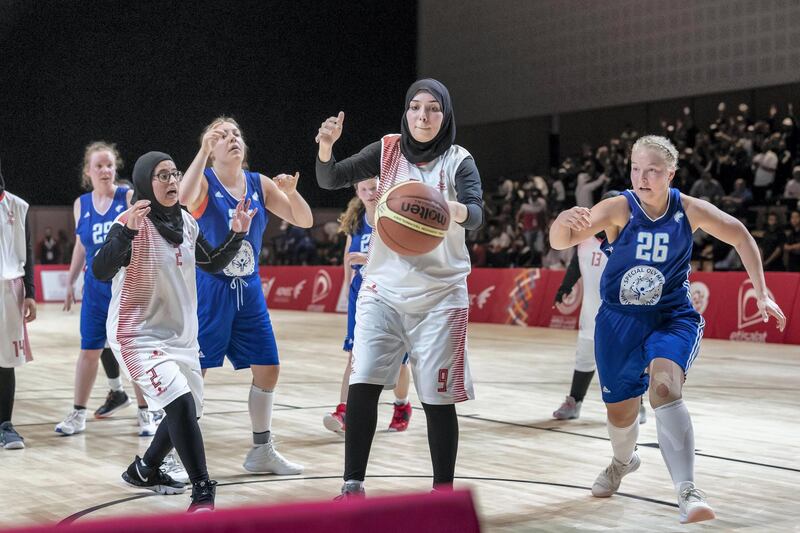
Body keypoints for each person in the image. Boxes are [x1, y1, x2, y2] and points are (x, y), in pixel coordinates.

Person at [549, 135, 786, 524]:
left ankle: (688, 490)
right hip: (618, 322)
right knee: (620, 414)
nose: (642, 178)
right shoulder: (618, 208)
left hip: (671, 316)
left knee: (664, 388)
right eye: (635, 169)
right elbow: (563, 239)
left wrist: (762, 294)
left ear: (670, 174)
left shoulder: (688, 210)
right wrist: (561, 223)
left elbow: (741, 235)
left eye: (652, 171)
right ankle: (623, 462)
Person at [315, 78, 484, 497]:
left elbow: (478, 214)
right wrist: (325, 146)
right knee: (364, 378)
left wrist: (448, 207)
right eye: (414, 107)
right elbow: (330, 177)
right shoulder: (388, 149)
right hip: (383, 289)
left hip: (441, 295)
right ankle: (352, 485)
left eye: (432, 109)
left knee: (436, 398)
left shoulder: (459, 160)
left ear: (445, 115)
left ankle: (441, 495)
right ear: (405, 112)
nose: (422, 116)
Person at [94, 151, 254, 511]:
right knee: (180, 404)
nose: (171, 181)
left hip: (181, 337)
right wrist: (124, 235)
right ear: (144, 184)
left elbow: (211, 263)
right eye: (161, 176)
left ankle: (145, 469)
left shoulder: (186, 222)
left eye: (174, 174)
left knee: (187, 410)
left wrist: (236, 234)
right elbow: (101, 271)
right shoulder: (130, 221)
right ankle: (202, 491)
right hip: (136, 336)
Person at [179, 117, 311, 475]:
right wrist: (202, 149)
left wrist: (294, 192)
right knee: (196, 374)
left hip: (249, 290)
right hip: (210, 289)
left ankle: (262, 450)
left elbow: (305, 220)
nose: (232, 139)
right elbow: (184, 198)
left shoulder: (259, 183)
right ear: (212, 147)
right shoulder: (205, 182)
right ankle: (175, 453)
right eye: (222, 136)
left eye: (236, 133)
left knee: (268, 368)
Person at [57, 142, 153, 437]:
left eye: (109, 165)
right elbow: (81, 246)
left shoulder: (126, 197)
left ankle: (146, 413)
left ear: (115, 168)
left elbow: (144, 235)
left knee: (132, 351)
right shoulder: (80, 204)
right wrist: (71, 281)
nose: (105, 170)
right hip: (95, 290)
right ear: (88, 171)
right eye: (98, 165)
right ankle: (78, 414)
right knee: (89, 350)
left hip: (125, 287)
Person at [323, 178, 413, 434]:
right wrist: (345, 287)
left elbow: (404, 255)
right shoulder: (355, 217)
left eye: (373, 188)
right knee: (355, 353)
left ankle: (402, 405)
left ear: (382, 187)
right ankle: (344, 411)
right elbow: (348, 256)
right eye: (363, 189)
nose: (369, 193)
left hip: (392, 291)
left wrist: (370, 259)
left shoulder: (395, 212)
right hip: (361, 292)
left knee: (399, 361)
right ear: (357, 192)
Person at [552, 191, 647, 424]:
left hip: (623, 315)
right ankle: (574, 401)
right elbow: (577, 262)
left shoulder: (631, 241)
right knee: (584, 358)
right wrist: (565, 287)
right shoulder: (585, 238)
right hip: (590, 312)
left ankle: (639, 404)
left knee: (629, 360)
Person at [0, 156, 37, 449]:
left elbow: (28, 252)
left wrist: (32, 293)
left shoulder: (17, 206)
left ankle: (5, 424)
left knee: (6, 361)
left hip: (7, 289)